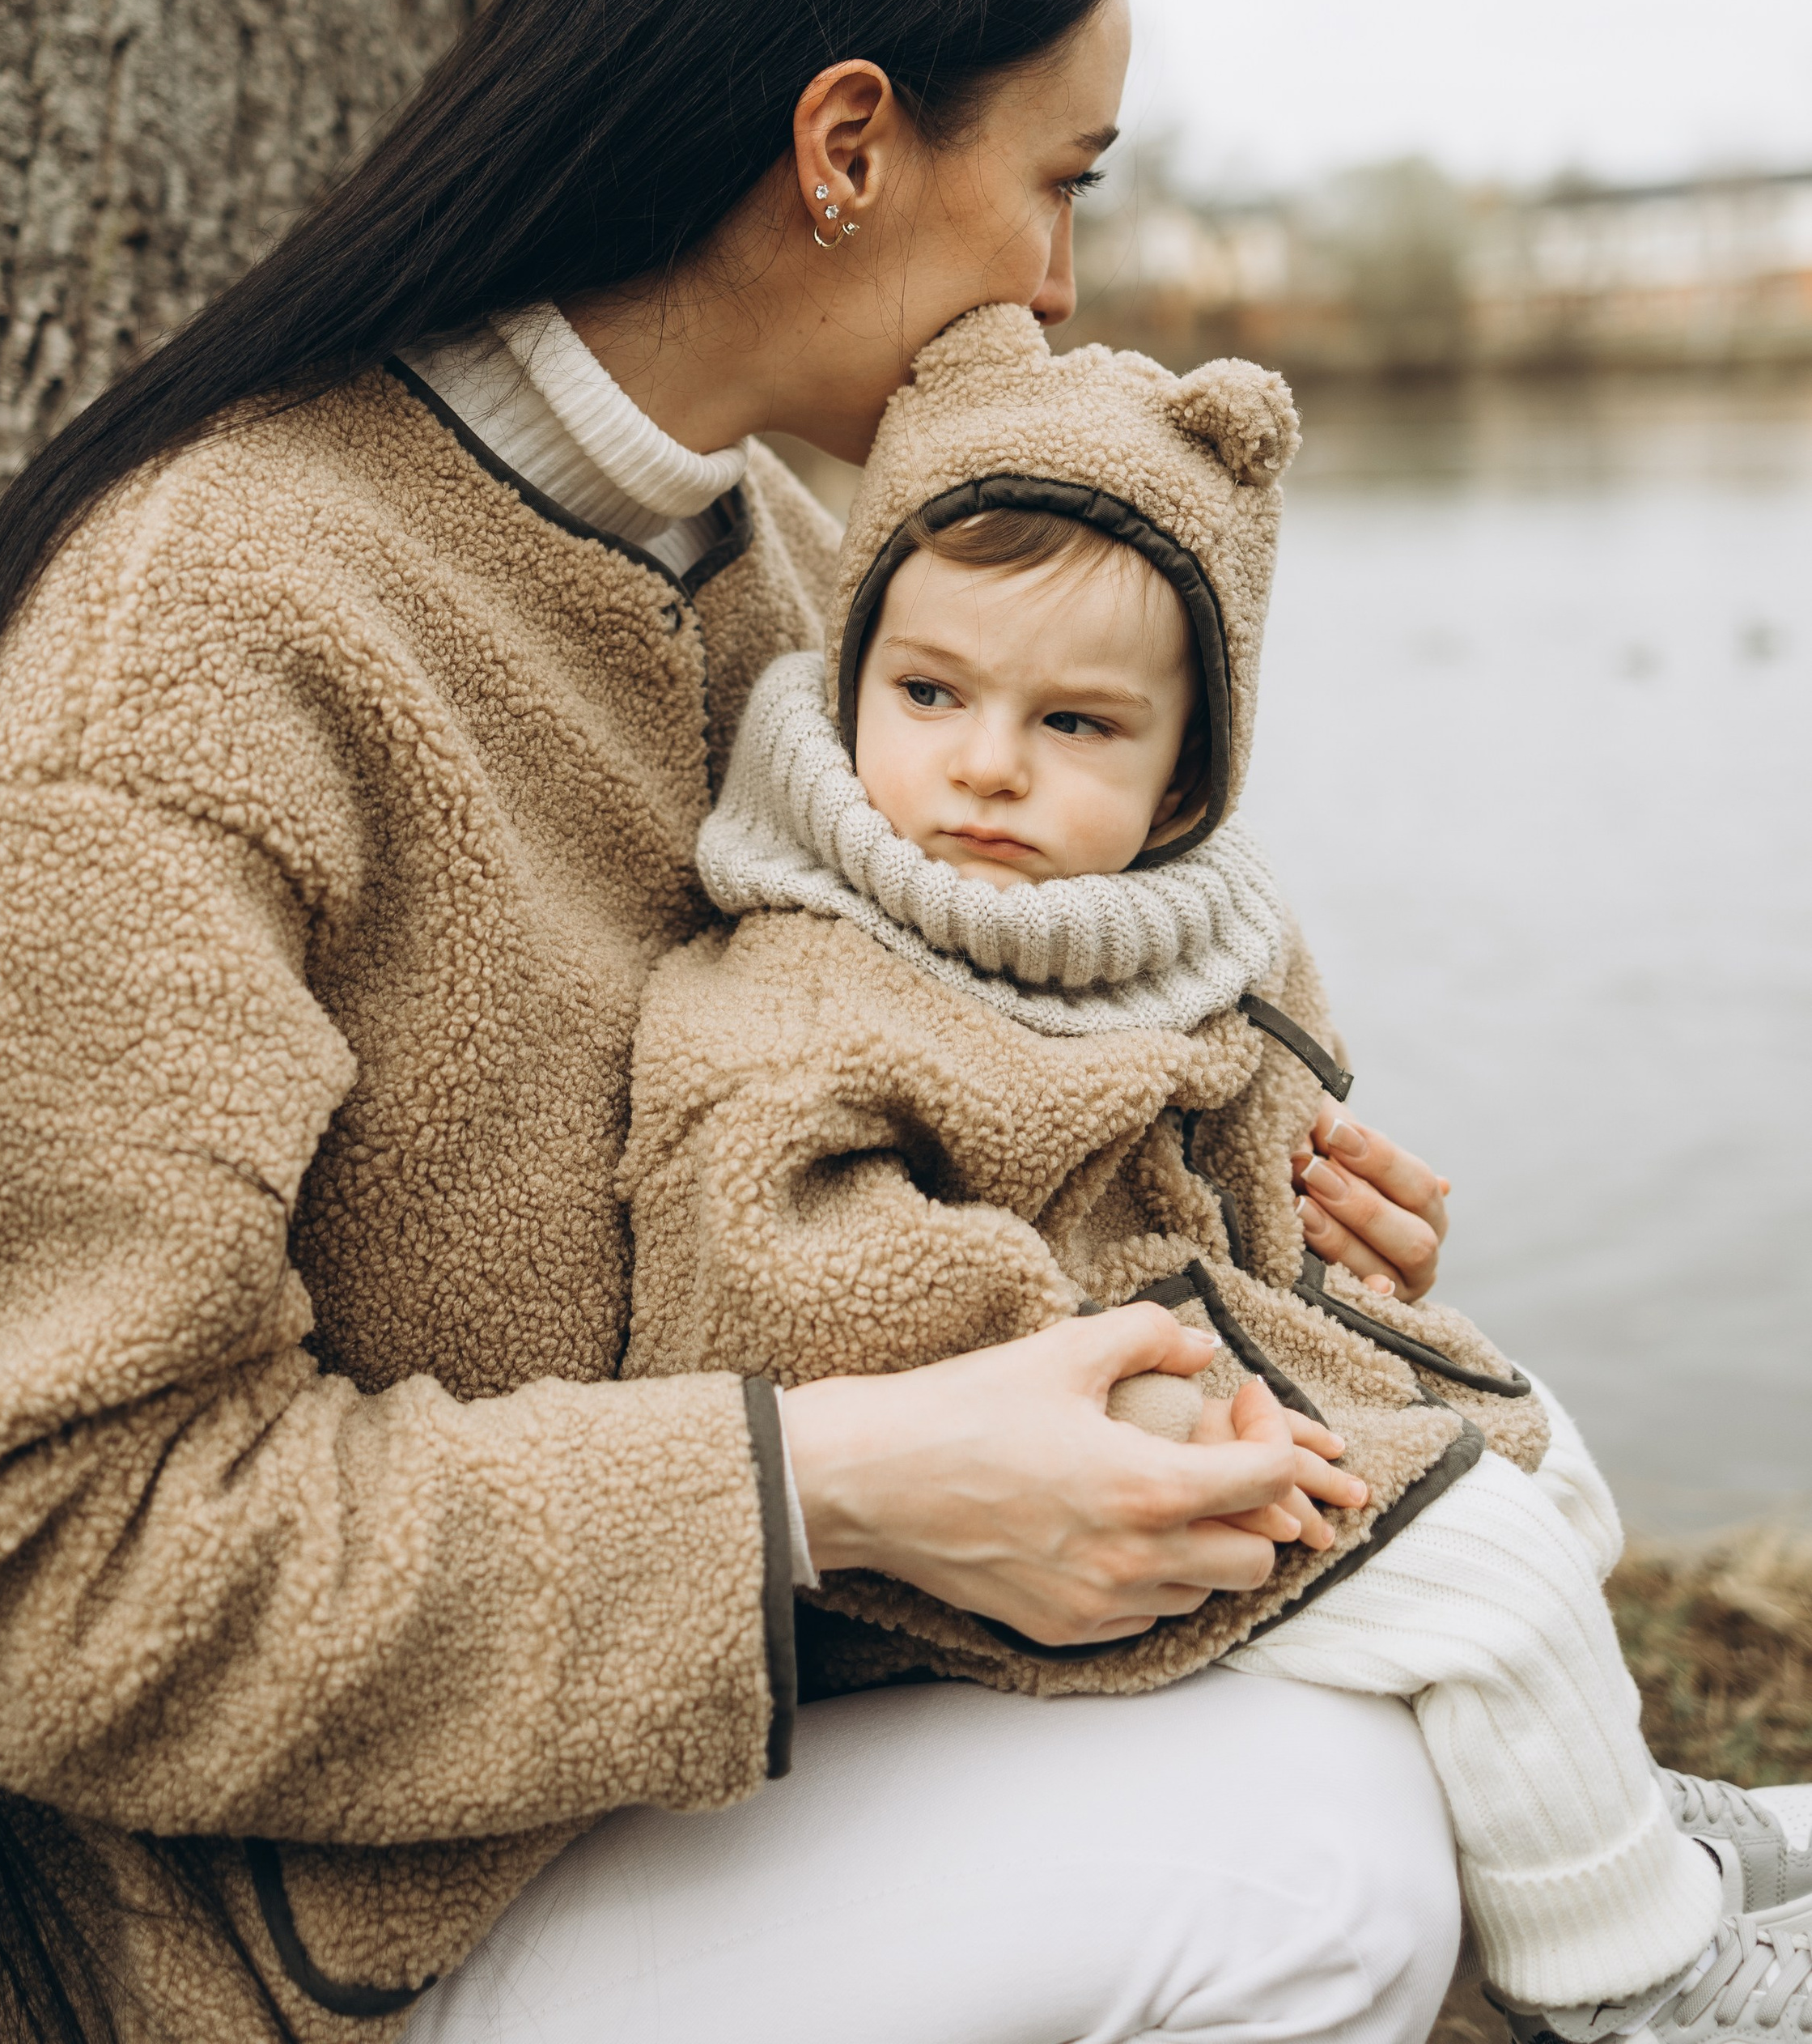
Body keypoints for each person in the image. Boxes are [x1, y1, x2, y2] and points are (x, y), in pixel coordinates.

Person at [0, 0, 1465, 2044]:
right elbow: (38, 1555)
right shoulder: (205, 646)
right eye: (1057, 185)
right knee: (1306, 1861)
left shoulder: (797, 584)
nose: (1059, 289)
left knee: (1442, 1677)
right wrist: (827, 1490)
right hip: (288, 1941)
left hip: (696, 1782)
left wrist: (1250, 1206)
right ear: (845, 146)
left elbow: (928, 1102)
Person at [622, 301, 1812, 2044]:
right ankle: (1637, 1986)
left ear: (1185, 773)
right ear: (855, 667)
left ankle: (1601, 1821)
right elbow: (788, 1280)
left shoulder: (1167, 928)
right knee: (1476, 1564)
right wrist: (1134, 1379)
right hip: (986, 1488)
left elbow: (1241, 1150)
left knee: (1536, 1454)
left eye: (1077, 724)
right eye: (929, 693)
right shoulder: (811, 982)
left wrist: (1327, 1248)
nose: (983, 765)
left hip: (1183, 1358)